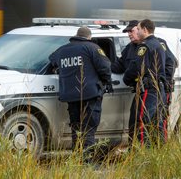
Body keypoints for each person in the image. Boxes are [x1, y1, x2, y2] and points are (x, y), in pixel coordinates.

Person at [49, 26, 113, 162]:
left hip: (70, 96)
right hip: (89, 94)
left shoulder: (62, 50)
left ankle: (77, 158)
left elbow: (52, 60)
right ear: (89, 37)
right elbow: (105, 67)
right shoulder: (93, 48)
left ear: (76, 35)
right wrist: (107, 82)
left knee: (76, 127)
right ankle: (87, 162)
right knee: (89, 127)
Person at [123, 19, 166, 146]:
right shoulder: (158, 43)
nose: (137, 31)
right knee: (155, 122)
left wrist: (126, 79)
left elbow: (137, 66)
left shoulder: (145, 45)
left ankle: (140, 152)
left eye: (139, 29)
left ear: (145, 30)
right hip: (158, 89)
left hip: (148, 89)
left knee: (140, 121)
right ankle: (155, 150)